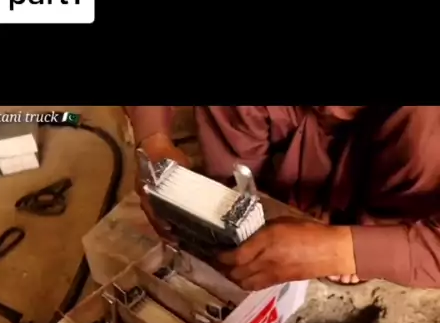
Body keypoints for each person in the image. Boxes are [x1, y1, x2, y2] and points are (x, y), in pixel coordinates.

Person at [126, 105, 440, 291]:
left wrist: (347, 251)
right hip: (287, 127)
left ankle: (369, 229)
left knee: (424, 131)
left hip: (409, 141)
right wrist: (153, 140)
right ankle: (242, 213)